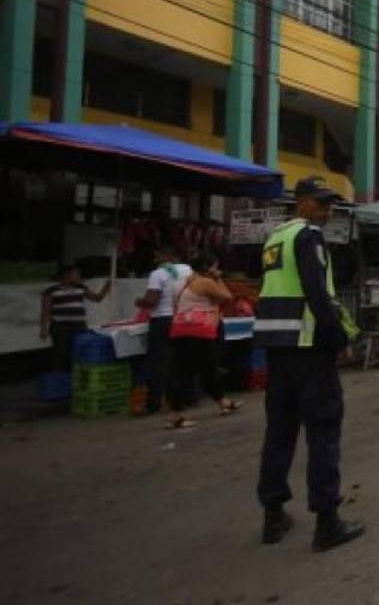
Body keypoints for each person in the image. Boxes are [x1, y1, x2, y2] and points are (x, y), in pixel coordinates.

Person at [255, 176, 364, 552]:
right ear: (300, 202)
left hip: (277, 347)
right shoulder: (308, 237)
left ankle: (273, 516)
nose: (327, 209)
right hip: (308, 346)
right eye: (320, 202)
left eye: (330, 202)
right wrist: (337, 340)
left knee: (279, 431)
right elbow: (318, 293)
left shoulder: (274, 238)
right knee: (323, 431)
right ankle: (327, 521)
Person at [166, 253, 243, 429]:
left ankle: (223, 401)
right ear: (207, 268)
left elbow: (176, 306)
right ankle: (175, 414)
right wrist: (218, 279)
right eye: (216, 267)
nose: (218, 270)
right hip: (199, 331)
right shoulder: (206, 282)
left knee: (194, 368)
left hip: (179, 329)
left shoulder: (180, 283)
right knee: (198, 370)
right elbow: (227, 297)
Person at [134, 246, 192, 414]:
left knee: (158, 363)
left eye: (157, 256)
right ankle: (184, 399)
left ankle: (154, 403)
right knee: (180, 361)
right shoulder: (187, 270)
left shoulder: (157, 274)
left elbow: (152, 301)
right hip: (182, 318)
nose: (155, 260)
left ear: (167, 255)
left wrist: (139, 301)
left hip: (162, 320)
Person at [41, 264, 111, 373]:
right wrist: (44, 328)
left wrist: (106, 287)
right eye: (76, 274)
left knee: (79, 352)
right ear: (66, 275)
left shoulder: (81, 287)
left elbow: (97, 299)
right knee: (61, 354)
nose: (78, 276)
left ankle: (76, 378)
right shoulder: (51, 291)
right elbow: (46, 311)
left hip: (79, 327)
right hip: (60, 328)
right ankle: (61, 378)